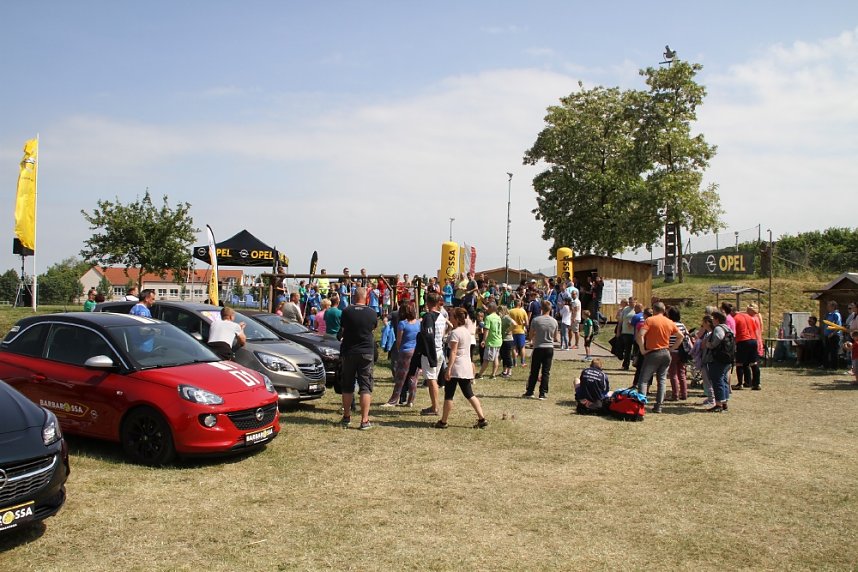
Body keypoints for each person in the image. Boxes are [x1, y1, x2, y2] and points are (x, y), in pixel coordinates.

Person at [434, 307, 488, 429]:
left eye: (452, 316)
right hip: (466, 366)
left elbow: (453, 352)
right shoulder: (466, 331)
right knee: (469, 394)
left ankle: (443, 421)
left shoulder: (455, 333)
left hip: (456, 367)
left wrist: (448, 369)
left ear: (457, 319)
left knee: (449, 395)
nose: (450, 318)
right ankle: (482, 418)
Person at [337, 287, 378, 430]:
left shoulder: (346, 311)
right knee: (365, 386)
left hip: (349, 351)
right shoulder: (372, 313)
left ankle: (347, 416)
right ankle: (364, 420)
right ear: (366, 297)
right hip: (366, 351)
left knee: (347, 385)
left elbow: (342, 329)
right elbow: (373, 328)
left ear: (354, 297)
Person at [635, 301, 683, 413]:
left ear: (654, 310)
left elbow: (640, 335)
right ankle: (659, 406)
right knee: (661, 380)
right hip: (666, 353)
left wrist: (642, 349)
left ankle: (640, 405)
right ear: (664, 310)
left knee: (643, 380)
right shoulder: (669, 322)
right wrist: (671, 348)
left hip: (653, 352)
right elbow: (680, 336)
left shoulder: (650, 320)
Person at [416, 293, 449, 416]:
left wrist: (429, 353)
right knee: (432, 379)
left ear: (428, 303)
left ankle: (435, 407)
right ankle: (433, 405)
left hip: (432, 351)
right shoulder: (441, 316)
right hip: (439, 349)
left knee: (431, 380)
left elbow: (428, 336)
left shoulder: (428, 317)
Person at [383, 302, 420, 406]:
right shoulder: (418, 323)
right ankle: (411, 401)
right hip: (415, 351)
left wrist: (399, 350)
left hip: (405, 351)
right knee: (413, 377)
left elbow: (399, 340)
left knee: (400, 377)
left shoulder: (402, 324)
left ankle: (393, 401)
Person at [522, 300, 557, 400]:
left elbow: (530, 335)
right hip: (549, 347)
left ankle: (530, 391)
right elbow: (555, 336)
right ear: (550, 309)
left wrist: (534, 337)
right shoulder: (554, 321)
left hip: (538, 347)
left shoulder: (536, 320)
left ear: (541, 309)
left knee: (534, 370)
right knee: (546, 371)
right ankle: (543, 393)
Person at [703, 311, 733, 412]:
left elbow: (718, 338)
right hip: (727, 357)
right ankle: (724, 402)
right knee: (723, 380)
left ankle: (719, 403)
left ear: (717, 319)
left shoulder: (718, 328)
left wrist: (709, 344)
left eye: (713, 319)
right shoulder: (728, 328)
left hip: (718, 358)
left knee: (717, 380)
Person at [666, 306, 690, 400]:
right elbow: (686, 336)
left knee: (673, 374)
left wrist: (670, 347)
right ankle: (684, 394)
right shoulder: (682, 325)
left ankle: (675, 394)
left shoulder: (669, 324)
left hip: (672, 351)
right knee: (682, 373)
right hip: (682, 352)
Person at [477, 302, 502, 379]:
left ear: (491, 308)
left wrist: (484, 340)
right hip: (498, 340)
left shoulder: (488, 317)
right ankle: (493, 374)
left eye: (488, 307)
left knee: (486, 359)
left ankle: (480, 374)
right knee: (495, 358)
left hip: (491, 340)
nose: (486, 309)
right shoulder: (498, 317)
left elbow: (486, 330)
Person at [823, 301, 843, 370]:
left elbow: (838, 326)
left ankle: (834, 367)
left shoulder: (836, 314)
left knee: (833, 352)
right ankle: (826, 366)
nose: (827, 307)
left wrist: (832, 333)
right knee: (826, 351)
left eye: (829, 306)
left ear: (833, 307)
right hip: (827, 335)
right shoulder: (828, 314)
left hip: (834, 336)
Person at [508, 298, 529, 366]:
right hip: (521, 331)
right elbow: (527, 323)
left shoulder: (510, 311)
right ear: (520, 304)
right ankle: (522, 362)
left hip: (513, 331)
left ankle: (515, 363)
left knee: (513, 347)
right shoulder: (523, 311)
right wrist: (523, 324)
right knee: (522, 347)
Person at [498, 305, 516, 378]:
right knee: (503, 355)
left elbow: (514, 324)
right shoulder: (502, 318)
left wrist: (509, 330)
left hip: (508, 340)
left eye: (499, 311)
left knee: (508, 356)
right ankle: (504, 371)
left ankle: (509, 371)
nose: (498, 312)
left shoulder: (506, 317)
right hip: (502, 339)